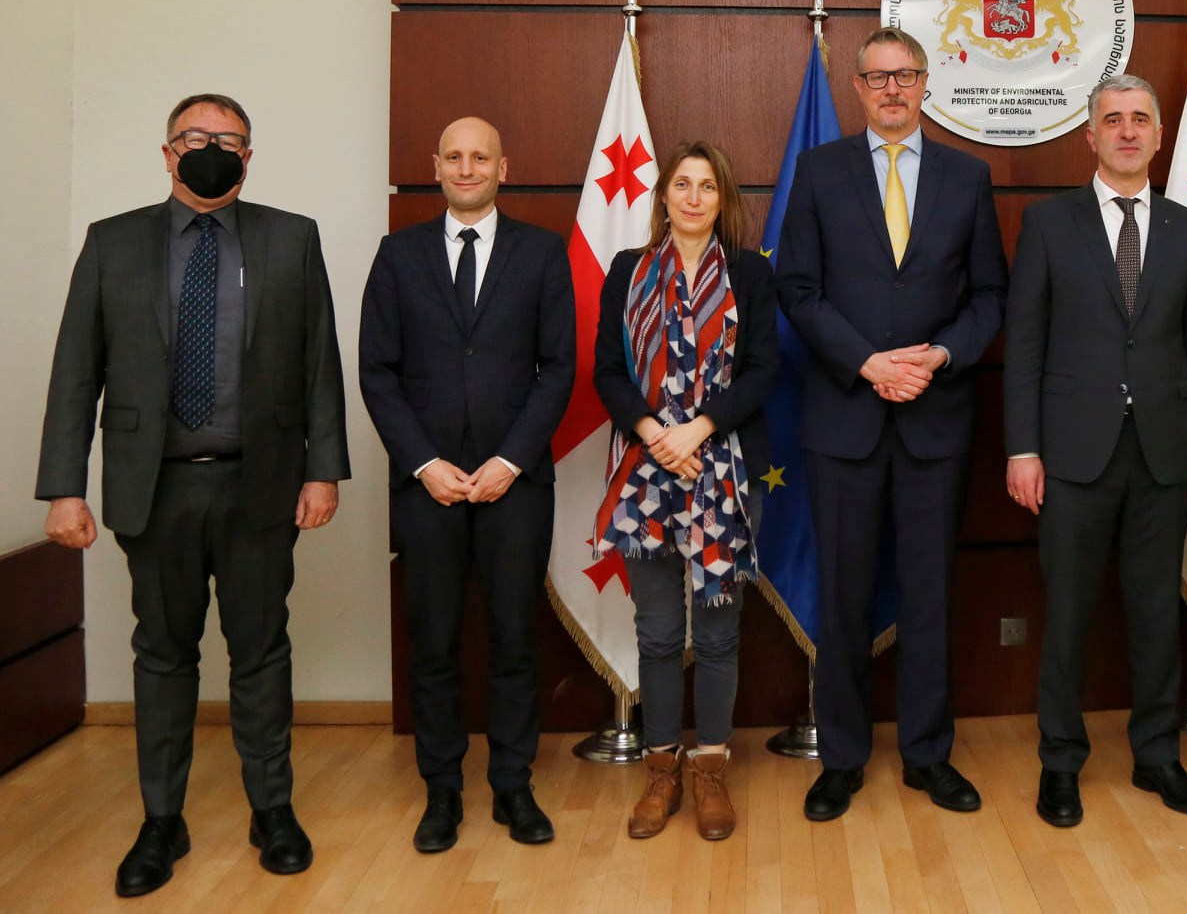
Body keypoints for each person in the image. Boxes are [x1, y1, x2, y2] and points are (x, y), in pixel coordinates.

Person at [36, 94, 349, 898]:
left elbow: (319, 361)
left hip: (260, 483)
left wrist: (323, 470)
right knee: (163, 653)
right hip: (155, 485)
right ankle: (160, 820)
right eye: (196, 136)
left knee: (262, 651)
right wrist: (64, 487)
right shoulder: (112, 242)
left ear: (250, 156)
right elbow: (75, 370)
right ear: (168, 151)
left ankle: (271, 811)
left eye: (229, 139)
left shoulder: (292, 237)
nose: (212, 148)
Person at [776, 27, 1006, 822]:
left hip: (935, 421)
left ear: (925, 81)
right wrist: (869, 363)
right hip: (844, 418)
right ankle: (840, 757)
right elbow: (796, 288)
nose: (892, 89)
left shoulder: (967, 176)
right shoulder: (818, 171)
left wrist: (937, 356)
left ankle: (927, 754)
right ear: (857, 87)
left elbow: (989, 296)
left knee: (930, 596)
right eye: (877, 77)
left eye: (905, 75)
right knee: (841, 596)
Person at [1005, 75, 1187, 828]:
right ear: (1091, 136)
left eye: (1140, 119)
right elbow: (1024, 347)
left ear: (1159, 136)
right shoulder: (1048, 222)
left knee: (1155, 611)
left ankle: (1157, 756)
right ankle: (1060, 761)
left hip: (1165, 453)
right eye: (1113, 120)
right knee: (1067, 614)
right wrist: (1022, 448)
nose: (1127, 131)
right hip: (1071, 454)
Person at [357, 116, 574, 852]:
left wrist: (511, 460)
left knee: (515, 638)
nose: (467, 167)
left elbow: (559, 368)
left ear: (502, 168)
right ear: (435, 166)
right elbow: (377, 370)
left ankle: (513, 785)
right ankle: (442, 791)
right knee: (434, 641)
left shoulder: (542, 253)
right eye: (454, 156)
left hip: (517, 482)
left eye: (481, 156)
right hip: (429, 485)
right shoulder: (398, 255)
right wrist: (424, 462)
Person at [592, 140, 777, 842]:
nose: (694, 197)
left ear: (722, 199)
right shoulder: (628, 270)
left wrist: (696, 429)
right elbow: (607, 370)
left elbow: (762, 370)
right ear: (663, 195)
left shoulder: (750, 274)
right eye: (682, 184)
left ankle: (710, 770)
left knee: (720, 634)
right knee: (660, 632)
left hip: (723, 469)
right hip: (645, 470)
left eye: (707, 186)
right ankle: (661, 770)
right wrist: (654, 434)